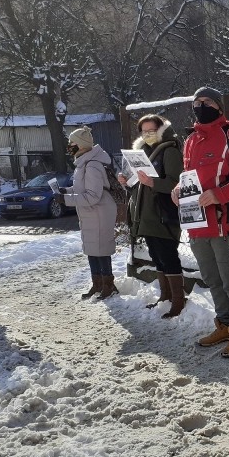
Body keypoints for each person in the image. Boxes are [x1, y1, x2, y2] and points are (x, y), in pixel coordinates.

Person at [172, 87, 229, 357]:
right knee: (212, 279)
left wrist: (219, 194)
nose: (201, 105)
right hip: (198, 223)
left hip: (227, 223)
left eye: (207, 101)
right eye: (197, 101)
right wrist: (179, 189)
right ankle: (223, 324)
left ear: (219, 106)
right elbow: (189, 176)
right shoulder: (190, 140)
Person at [118, 115, 185, 318]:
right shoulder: (143, 153)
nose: (147, 135)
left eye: (151, 130)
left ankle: (178, 301)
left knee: (168, 256)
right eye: (144, 131)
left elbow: (177, 184)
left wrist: (152, 183)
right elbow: (140, 188)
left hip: (164, 214)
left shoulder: (170, 151)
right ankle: (165, 296)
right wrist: (127, 182)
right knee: (157, 257)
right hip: (147, 215)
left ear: (161, 129)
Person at [60, 126, 119, 300]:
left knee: (101, 248)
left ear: (82, 145)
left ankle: (108, 286)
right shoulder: (83, 162)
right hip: (91, 212)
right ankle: (98, 284)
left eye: (72, 142)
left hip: (99, 211)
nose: (69, 145)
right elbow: (82, 188)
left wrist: (66, 200)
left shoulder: (92, 165)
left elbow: (92, 196)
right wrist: (65, 191)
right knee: (92, 249)